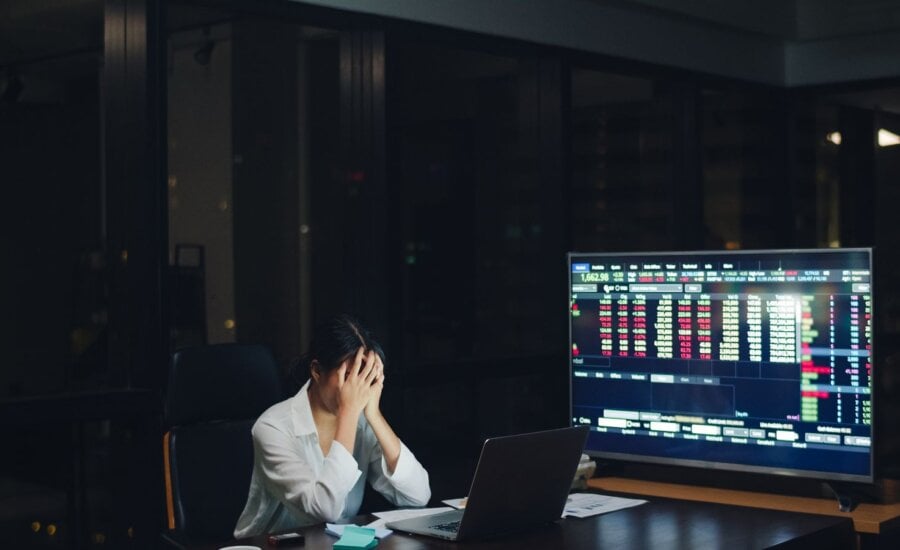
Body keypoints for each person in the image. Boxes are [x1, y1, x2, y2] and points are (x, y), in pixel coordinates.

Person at [234, 315, 431, 537]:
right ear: (317, 371)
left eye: (363, 376)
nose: (356, 387)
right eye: (348, 376)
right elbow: (323, 512)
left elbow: (418, 495)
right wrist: (348, 411)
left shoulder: (362, 422)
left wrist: (374, 415)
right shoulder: (272, 428)